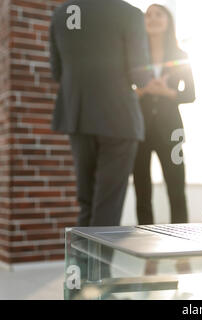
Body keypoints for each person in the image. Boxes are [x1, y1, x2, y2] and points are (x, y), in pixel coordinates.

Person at [49, 0, 150, 228]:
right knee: (108, 205)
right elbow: (140, 76)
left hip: (77, 116)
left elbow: (57, 72)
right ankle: (98, 265)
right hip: (119, 118)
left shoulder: (60, 13)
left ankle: (80, 264)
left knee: (86, 202)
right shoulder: (129, 13)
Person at [133, 4, 195, 226]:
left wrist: (166, 92)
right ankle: (144, 243)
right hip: (140, 129)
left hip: (172, 131)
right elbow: (125, 90)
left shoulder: (181, 55)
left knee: (176, 187)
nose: (152, 18)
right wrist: (143, 90)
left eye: (158, 14)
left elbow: (190, 94)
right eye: (148, 15)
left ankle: (182, 242)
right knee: (142, 189)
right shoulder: (137, 56)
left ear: (168, 21)